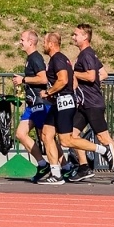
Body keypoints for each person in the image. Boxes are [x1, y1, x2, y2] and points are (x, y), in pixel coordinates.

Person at [70, 24, 114, 184]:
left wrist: (73, 73)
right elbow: (103, 73)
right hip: (83, 104)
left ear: (85, 37)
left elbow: (91, 76)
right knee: (71, 136)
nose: (73, 37)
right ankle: (84, 167)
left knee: (103, 138)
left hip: (92, 104)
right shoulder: (86, 54)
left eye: (76, 35)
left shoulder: (87, 55)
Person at [36, 32, 76, 186]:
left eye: (44, 42)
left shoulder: (57, 58)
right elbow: (72, 82)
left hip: (63, 102)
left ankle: (102, 150)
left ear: (51, 44)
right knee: (46, 135)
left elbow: (63, 80)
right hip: (57, 102)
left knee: (66, 141)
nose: (43, 45)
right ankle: (56, 173)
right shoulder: (59, 59)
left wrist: (48, 92)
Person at [10, 29, 51, 180]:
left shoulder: (36, 58)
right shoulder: (30, 58)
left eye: (22, 39)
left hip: (40, 103)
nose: (20, 42)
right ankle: (42, 164)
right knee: (20, 134)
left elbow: (43, 79)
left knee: (46, 138)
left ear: (31, 42)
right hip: (31, 104)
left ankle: (65, 167)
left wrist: (24, 80)